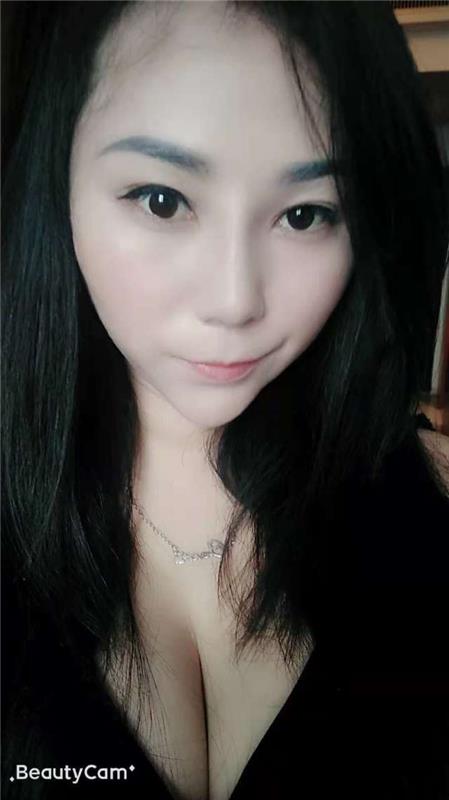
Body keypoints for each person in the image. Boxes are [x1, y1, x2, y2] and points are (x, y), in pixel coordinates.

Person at [2, 2, 449, 798]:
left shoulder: (427, 504)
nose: (235, 301)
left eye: (306, 214)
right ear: (57, 187)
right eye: (162, 200)